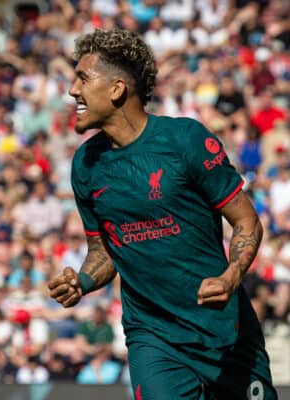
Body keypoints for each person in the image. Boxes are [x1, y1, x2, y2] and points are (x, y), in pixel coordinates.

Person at [48, 29, 277, 399]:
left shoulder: (184, 139)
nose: (73, 90)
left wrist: (232, 276)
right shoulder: (85, 165)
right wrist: (83, 282)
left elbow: (247, 221)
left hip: (224, 332)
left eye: (83, 78)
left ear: (117, 89)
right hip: (152, 337)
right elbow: (104, 251)